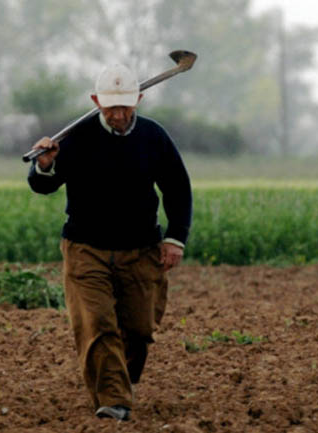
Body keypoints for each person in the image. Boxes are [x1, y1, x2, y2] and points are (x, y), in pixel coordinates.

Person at [27, 63, 192, 421]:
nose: (119, 115)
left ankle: (119, 381)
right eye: (111, 106)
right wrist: (44, 165)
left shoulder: (154, 137)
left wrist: (175, 238)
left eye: (126, 106)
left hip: (141, 249)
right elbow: (44, 186)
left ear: (140, 99)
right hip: (87, 249)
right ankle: (114, 400)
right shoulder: (75, 138)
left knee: (139, 330)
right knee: (97, 324)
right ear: (95, 100)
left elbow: (178, 189)